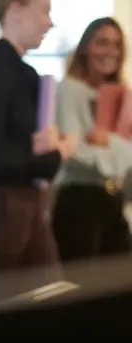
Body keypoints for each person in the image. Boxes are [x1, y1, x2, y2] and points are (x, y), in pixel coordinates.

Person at [0, 0, 74, 282]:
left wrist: (48, 146)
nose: (49, 22)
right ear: (15, 9)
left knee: (50, 301)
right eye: (44, 11)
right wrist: (54, 156)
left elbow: (14, 146)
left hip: (24, 206)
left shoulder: (22, 73)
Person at [52, 17, 132, 266]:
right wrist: (115, 152)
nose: (111, 52)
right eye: (103, 43)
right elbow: (72, 148)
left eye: (117, 45)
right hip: (79, 200)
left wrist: (105, 139)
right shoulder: (67, 89)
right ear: (86, 47)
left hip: (113, 198)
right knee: (81, 289)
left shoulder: (120, 95)